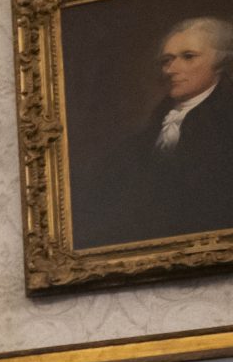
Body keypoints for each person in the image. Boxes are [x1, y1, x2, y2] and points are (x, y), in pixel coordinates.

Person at [78, 17, 233, 249]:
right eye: (166, 60)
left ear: (220, 62)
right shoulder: (143, 137)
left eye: (188, 57)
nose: (171, 69)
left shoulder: (225, 124)